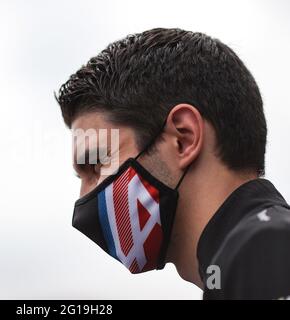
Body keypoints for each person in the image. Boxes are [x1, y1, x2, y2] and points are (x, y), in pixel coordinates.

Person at [55, 28, 290, 299]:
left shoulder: (263, 252)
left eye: (97, 164)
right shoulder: (242, 264)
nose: (85, 198)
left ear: (183, 138)